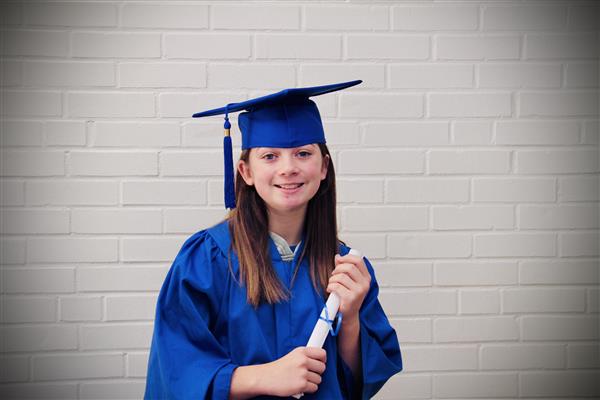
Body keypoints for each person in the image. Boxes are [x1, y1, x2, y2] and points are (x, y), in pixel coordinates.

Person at [144, 80, 402, 399]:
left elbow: (357, 384)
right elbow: (175, 370)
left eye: (303, 153)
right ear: (246, 172)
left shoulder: (345, 267)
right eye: (270, 157)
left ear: (324, 167)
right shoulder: (206, 259)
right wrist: (263, 377)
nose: (288, 168)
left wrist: (350, 319)